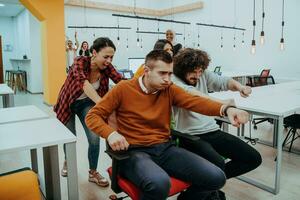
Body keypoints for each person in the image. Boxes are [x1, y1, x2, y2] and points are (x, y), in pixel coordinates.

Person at [85, 50, 250, 200]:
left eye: (170, 74)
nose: (167, 79)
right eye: (162, 73)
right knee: (160, 183)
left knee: (217, 177)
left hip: (165, 149)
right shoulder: (123, 89)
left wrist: (226, 109)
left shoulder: (169, 89)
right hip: (134, 152)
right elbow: (93, 116)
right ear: (147, 71)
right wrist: (111, 134)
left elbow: (196, 102)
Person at [172, 48, 262, 199]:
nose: (198, 75)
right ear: (182, 68)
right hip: (189, 136)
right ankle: (204, 187)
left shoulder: (202, 74)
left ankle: (203, 185)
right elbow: (195, 96)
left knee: (252, 158)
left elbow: (224, 81)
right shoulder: (174, 81)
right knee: (218, 163)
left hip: (212, 131)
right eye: (194, 72)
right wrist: (227, 107)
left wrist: (240, 87)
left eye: (200, 71)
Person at [54, 37, 123, 187]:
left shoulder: (107, 67)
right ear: (94, 53)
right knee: (69, 138)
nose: (109, 60)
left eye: (112, 57)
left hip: (86, 103)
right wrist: (103, 105)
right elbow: (84, 84)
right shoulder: (80, 61)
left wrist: (143, 82)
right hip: (68, 103)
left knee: (94, 138)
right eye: (106, 56)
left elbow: (121, 81)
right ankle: (67, 160)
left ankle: (93, 172)